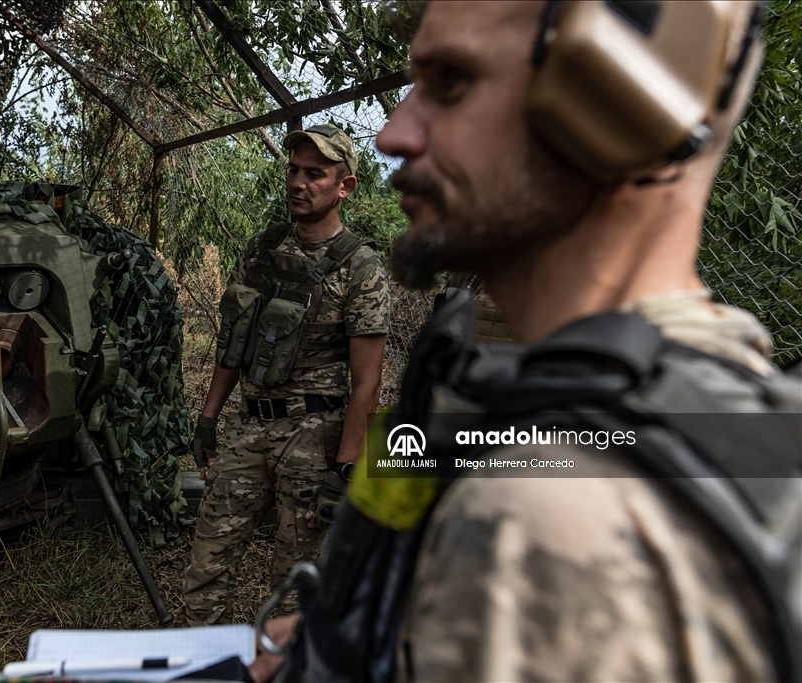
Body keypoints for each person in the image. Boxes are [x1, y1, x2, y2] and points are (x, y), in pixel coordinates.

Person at [251, 2, 800, 682]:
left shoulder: (544, 519)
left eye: (452, 82)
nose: (395, 133)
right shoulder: (730, 402)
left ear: (617, 104)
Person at [182, 124, 391, 626]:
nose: (298, 182)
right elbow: (233, 342)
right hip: (249, 428)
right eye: (293, 170)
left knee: (294, 582)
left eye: (314, 174)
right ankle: (196, 660)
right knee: (206, 561)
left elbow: (368, 381)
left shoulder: (361, 267)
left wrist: (344, 470)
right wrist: (209, 418)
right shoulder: (261, 248)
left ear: (345, 186)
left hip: (312, 437)